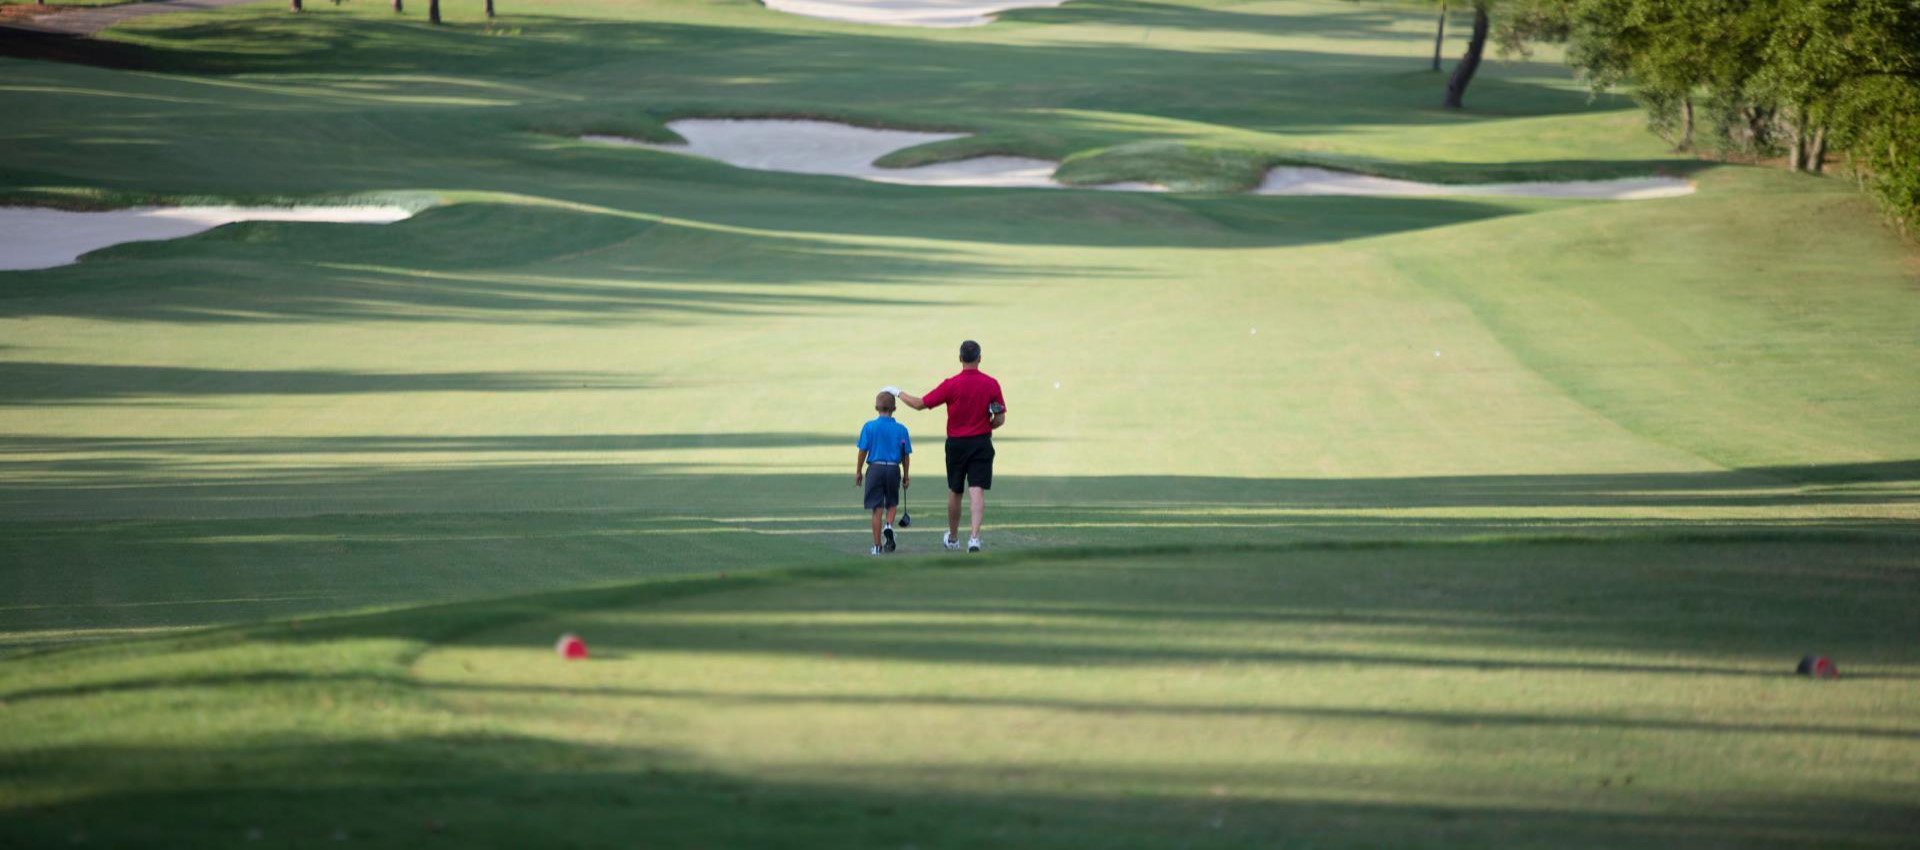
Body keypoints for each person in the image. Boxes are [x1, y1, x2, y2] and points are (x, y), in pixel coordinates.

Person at [892, 339, 1005, 553]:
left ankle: (953, 538)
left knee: (955, 490)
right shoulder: (991, 384)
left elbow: (919, 404)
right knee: (976, 490)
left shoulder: (951, 384)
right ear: (979, 359)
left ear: (960, 358)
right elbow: (999, 419)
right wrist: (985, 426)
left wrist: (897, 392)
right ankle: (974, 538)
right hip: (981, 442)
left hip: (956, 444)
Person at [855, 390, 912, 555]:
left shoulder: (869, 427)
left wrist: (858, 471)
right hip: (893, 468)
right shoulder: (902, 429)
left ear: (876, 407)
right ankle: (888, 525)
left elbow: (862, 451)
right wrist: (906, 475)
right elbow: (905, 455)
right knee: (892, 502)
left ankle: (877, 546)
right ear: (894, 408)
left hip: (875, 468)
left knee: (877, 508)